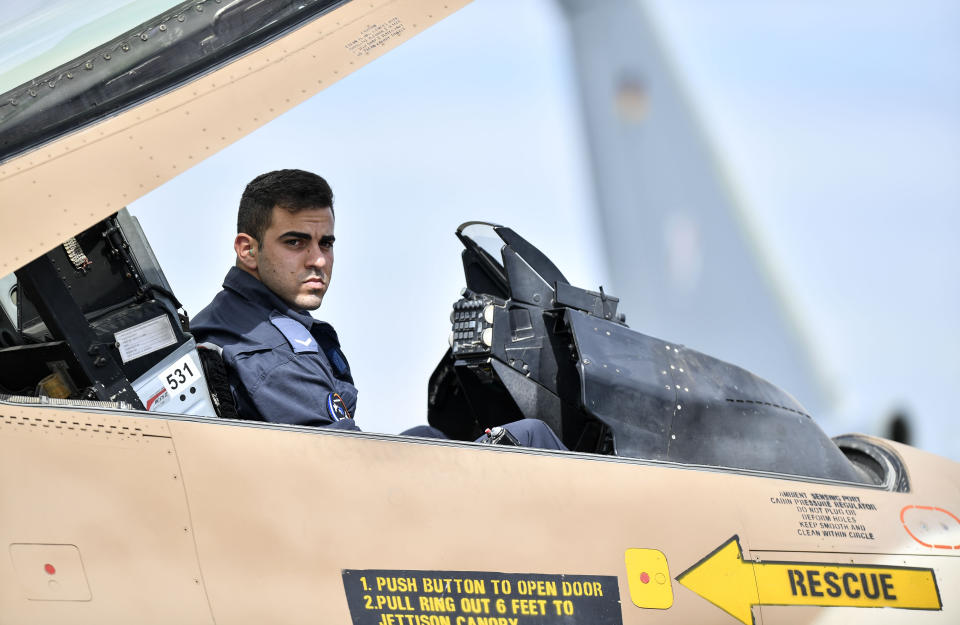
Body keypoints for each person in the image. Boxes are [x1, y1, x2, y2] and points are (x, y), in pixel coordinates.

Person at [192, 169, 566, 449]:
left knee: (429, 437)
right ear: (247, 249)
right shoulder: (273, 352)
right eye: (295, 242)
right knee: (529, 435)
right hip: (334, 516)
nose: (318, 260)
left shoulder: (228, 318)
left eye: (326, 243)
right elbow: (347, 466)